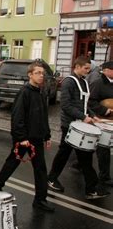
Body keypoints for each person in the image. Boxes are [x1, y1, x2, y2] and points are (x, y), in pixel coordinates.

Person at [0, 61, 54, 211]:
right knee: (13, 162)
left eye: (42, 73)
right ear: (30, 75)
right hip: (25, 138)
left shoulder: (41, 92)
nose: (41, 76)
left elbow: (43, 116)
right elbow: (17, 117)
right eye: (37, 73)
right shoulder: (24, 92)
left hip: (37, 138)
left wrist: (47, 135)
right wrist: (21, 138)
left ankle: (40, 200)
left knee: (40, 169)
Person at [47, 56, 110, 199]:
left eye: (89, 68)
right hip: (70, 125)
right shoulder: (69, 82)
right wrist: (83, 117)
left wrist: (93, 116)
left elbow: (85, 104)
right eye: (86, 68)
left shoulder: (84, 82)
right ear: (77, 67)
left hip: (80, 125)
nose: (88, 71)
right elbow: (65, 105)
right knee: (82, 156)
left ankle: (52, 178)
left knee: (69, 155)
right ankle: (91, 189)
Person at [88, 61, 113, 187]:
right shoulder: (98, 83)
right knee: (104, 148)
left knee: (95, 146)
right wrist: (104, 110)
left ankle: (78, 163)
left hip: (111, 120)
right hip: (100, 120)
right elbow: (90, 102)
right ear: (107, 70)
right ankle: (104, 176)